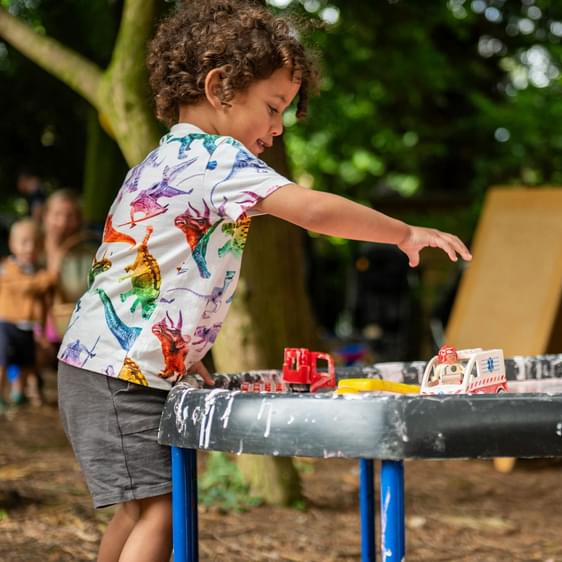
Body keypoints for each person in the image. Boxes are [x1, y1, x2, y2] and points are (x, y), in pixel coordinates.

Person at [56, 2, 472, 561]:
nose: (278, 128)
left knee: (142, 507)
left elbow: (142, 271)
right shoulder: (212, 157)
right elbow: (313, 211)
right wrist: (402, 232)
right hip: (119, 372)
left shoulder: (167, 159)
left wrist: (179, 348)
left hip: (105, 364)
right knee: (163, 510)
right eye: (274, 107)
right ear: (219, 86)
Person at [0, 219, 57, 412]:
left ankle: (19, 392)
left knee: (26, 362)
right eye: (24, 242)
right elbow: (23, 287)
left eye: (35, 243)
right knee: (3, 361)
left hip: (29, 327)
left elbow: (44, 301)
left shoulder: (38, 272)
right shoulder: (7, 269)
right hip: (7, 324)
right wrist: (45, 280)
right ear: (12, 244)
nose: (30, 248)